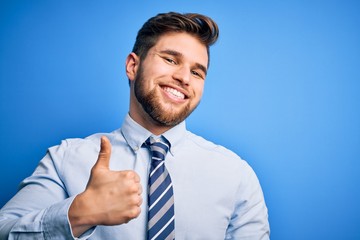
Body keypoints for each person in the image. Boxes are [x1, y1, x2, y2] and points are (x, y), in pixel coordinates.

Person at [0, 12, 270, 239]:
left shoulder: (236, 175)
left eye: (197, 72)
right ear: (132, 66)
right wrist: (78, 213)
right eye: (170, 59)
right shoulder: (64, 158)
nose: (184, 77)